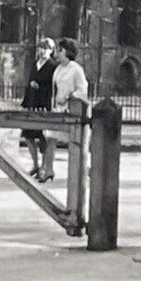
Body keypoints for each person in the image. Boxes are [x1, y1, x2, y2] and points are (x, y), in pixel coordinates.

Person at [40, 38, 89, 184]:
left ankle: (84, 169)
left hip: (71, 110)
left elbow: (82, 89)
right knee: (50, 138)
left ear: (67, 52)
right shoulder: (58, 68)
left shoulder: (76, 69)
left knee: (75, 142)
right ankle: (48, 170)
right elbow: (54, 89)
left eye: (60, 50)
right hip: (58, 109)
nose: (57, 53)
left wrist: (69, 97)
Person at [21, 37, 57, 182]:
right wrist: (25, 102)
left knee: (43, 138)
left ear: (51, 50)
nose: (42, 51)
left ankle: (44, 168)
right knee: (28, 136)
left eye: (45, 48)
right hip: (32, 103)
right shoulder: (34, 64)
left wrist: (40, 87)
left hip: (44, 105)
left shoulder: (53, 66)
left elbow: (53, 88)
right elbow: (29, 82)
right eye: (40, 48)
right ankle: (35, 164)